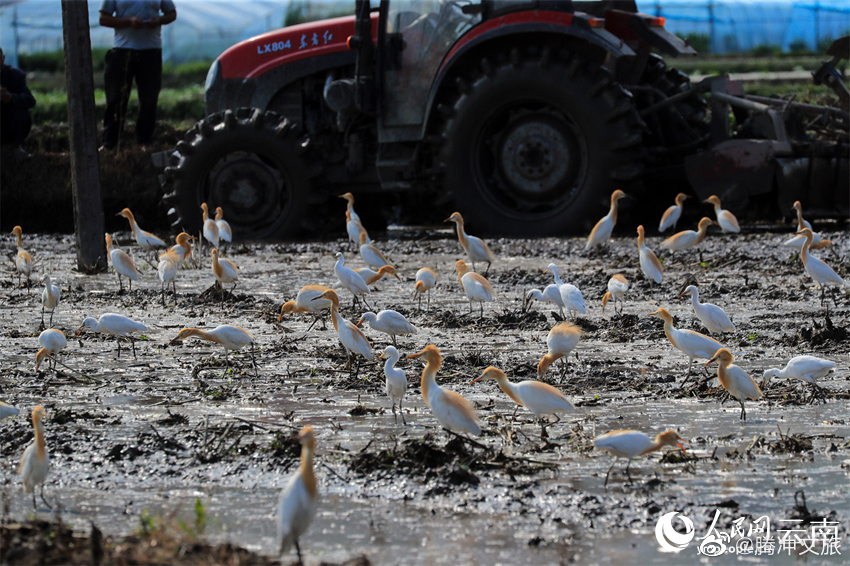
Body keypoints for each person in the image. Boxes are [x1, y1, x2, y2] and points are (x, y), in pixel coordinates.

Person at [99, 0, 177, 151]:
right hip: (122, 50)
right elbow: (103, 19)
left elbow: (171, 14)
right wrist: (129, 22)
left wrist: (159, 20)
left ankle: (144, 142)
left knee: (149, 99)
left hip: (151, 51)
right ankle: (110, 143)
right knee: (116, 99)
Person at [0, 46, 36, 160]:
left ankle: (15, 147)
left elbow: (30, 100)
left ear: (3, 58)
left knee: (21, 110)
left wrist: (12, 98)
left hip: (8, 124)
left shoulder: (15, 76)